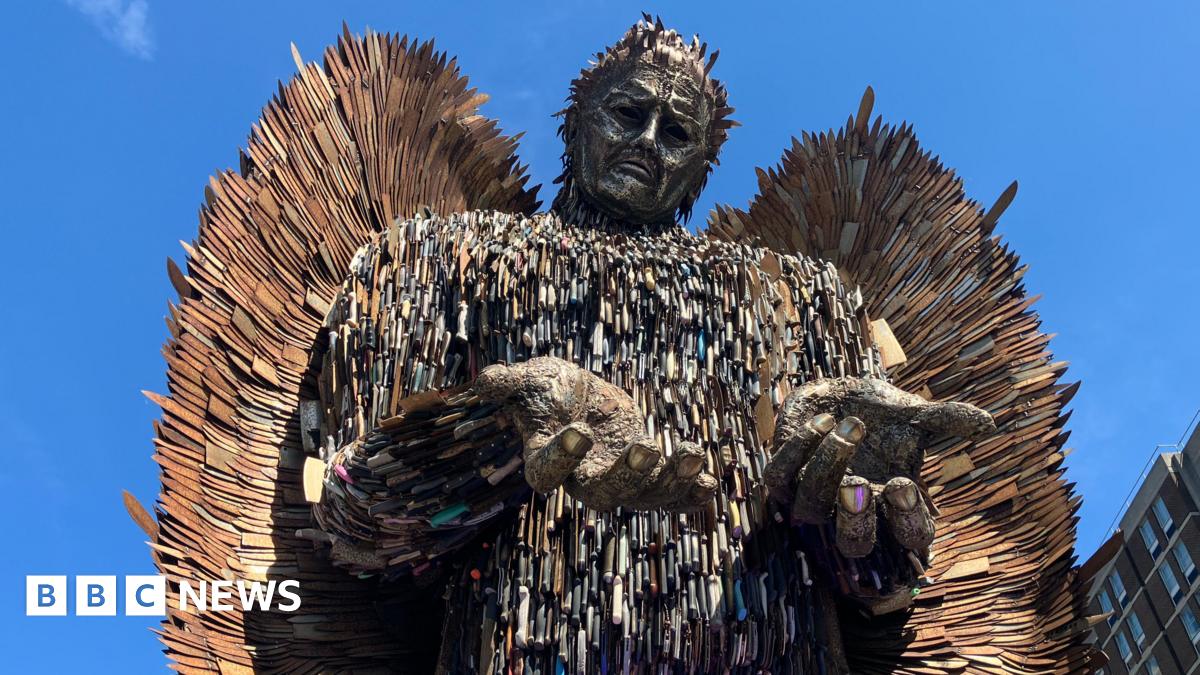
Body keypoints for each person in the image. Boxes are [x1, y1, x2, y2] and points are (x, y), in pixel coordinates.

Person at [308, 18, 993, 673]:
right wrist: (500, 431)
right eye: (628, 114)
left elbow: (880, 584)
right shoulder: (440, 257)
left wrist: (854, 519)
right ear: (575, 123)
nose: (648, 140)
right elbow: (354, 517)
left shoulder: (809, 300)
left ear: (701, 169)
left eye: (677, 132)